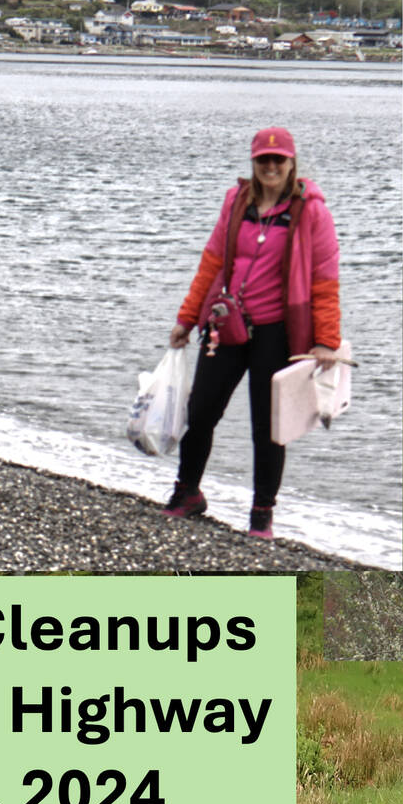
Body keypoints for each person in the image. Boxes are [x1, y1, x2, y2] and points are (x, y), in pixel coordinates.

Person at [162, 126, 342, 541]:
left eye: (279, 160)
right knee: (201, 411)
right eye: (264, 159)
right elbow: (210, 263)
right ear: (254, 163)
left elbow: (325, 281)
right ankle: (186, 492)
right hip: (225, 324)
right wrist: (186, 319)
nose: (271, 166)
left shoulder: (311, 211)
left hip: (277, 333)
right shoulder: (236, 201)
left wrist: (326, 341)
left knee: (269, 427)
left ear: (292, 163)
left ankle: (262, 515)